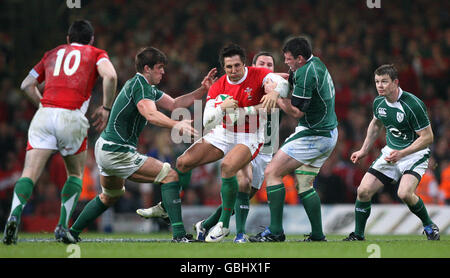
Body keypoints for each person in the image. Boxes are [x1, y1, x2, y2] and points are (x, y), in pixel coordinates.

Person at [60, 46, 217, 243]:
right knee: (170, 175)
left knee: (110, 195)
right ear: (147, 68)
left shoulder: (146, 87)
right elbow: (150, 114)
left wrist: (202, 90)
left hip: (106, 147)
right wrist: (177, 124)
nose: (163, 71)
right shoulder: (140, 85)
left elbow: (175, 104)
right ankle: (179, 235)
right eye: (159, 67)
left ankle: (71, 233)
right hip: (117, 151)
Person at [139, 44, 288, 243]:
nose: (233, 71)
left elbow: (283, 85)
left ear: (245, 64)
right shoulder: (219, 86)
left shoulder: (259, 74)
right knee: (182, 162)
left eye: (237, 66)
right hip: (223, 133)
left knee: (231, 170)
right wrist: (221, 108)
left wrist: (275, 93)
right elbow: (208, 120)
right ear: (223, 67)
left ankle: (224, 225)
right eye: (229, 67)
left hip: (250, 136)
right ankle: (168, 208)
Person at [2, 20, 118, 245]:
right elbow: (111, 76)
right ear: (92, 39)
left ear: (67, 39)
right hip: (71, 116)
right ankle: (62, 226)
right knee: (74, 174)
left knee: (29, 173)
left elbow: (26, 85)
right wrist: (106, 108)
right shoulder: (96, 53)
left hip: (44, 115)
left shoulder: (52, 53)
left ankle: (14, 215)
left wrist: (43, 105)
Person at [249, 36, 338, 242]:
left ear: (299, 58)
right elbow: (289, 79)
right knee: (304, 183)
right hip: (328, 132)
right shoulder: (314, 63)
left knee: (272, 172)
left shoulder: (307, 74)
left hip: (314, 134)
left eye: (289, 59)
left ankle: (275, 231)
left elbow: (296, 112)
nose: (286, 63)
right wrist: (268, 77)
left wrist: (275, 96)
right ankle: (317, 235)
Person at [343, 64, 440, 241]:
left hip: (414, 154)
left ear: (395, 82)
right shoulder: (378, 102)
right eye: (377, 82)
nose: (380, 86)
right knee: (363, 191)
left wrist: (403, 153)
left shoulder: (413, 104)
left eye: (384, 82)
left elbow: (427, 137)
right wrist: (364, 149)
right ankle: (358, 235)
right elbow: (376, 124)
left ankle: (429, 225)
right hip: (391, 152)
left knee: (404, 194)